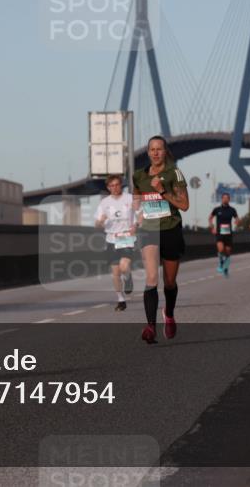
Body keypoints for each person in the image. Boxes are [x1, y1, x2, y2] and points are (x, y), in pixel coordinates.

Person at [132, 135, 189, 344]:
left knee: (170, 282)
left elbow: (184, 205)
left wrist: (162, 191)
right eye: (152, 149)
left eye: (159, 149)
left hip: (171, 229)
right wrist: (135, 214)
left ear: (165, 152)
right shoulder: (138, 176)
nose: (155, 152)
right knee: (151, 279)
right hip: (148, 230)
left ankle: (170, 314)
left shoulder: (174, 173)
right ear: (148, 152)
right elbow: (136, 201)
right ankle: (150, 327)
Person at [94, 175, 136, 311]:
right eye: (111, 186)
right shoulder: (104, 203)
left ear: (121, 185)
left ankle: (128, 278)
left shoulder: (129, 198)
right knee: (115, 272)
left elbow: (140, 214)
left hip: (125, 237)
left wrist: (135, 225)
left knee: (124, 266)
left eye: (117, 185)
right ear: (108, 188)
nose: (115, 188)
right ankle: (121, 299)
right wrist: (100, 221)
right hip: (111, 239)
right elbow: (97, 224)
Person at [209, 193, 239, 277]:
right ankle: (221, 263)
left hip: (228, 234)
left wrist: (237, 223)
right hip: (219, 233)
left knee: (228, 252)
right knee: (221, 249)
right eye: (224, 198)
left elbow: (237, 218)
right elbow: (210, 218)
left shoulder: (232, 210)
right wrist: (212, 227)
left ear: (229, 200)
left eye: (227, 198)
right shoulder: (217, 209)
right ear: (221, 199)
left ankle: (225, 268)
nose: (225, 199)